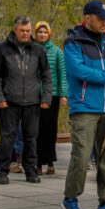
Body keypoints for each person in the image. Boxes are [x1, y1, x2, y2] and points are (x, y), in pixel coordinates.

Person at [61, 0, 105, 209]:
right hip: (84, 107)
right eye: (100, 18)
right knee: (81, 156)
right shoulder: (73, 42)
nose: (104, 22)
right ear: (87, 18)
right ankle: (70, 198)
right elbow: (78, 70)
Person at [0, 16, 52, 184]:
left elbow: (46, 75)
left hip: (32, 102)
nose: (25, 34)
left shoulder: (38, 50)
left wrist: (46, 97)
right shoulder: (3, 49)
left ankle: (31, 171)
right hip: (9, 102)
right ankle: (2, 171)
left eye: (28, 31)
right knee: (7, 138)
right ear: (15, 30)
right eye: (22, 31)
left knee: (31, 138)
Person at [35, 21, 68, 175]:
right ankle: (37, 162)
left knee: (50, 129)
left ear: (49, 34)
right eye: (40, 32)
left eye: (45, 32)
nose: (42, 35)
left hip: (53, 96)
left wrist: (63, 94)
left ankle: (50, 161)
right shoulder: (32, 49)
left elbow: (62, 74)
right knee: (37, 129)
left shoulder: (56, 51)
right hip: (35, 95)